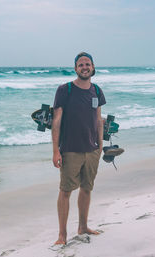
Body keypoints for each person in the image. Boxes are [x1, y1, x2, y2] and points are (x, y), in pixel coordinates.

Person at [51, 52, 106, 245]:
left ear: (93, 67)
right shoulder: (64, 90)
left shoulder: (97, 91)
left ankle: (83, 226)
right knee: (66, 191)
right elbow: (56, 122)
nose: (84, 67)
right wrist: (56, 150)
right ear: (75, 68)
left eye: (87, 64)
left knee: (86, 188)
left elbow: (99, 120)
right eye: (81, 64)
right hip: (70, 149)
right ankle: (62, 235)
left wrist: (100, 145)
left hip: (92, 150)